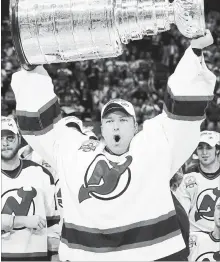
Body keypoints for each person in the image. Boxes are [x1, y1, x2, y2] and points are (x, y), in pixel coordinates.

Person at [11, 30, 216, 261]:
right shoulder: (77, 153)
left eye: (122, 120)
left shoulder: (154, 145)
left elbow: (180, 118)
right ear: (101, 129)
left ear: (135, 126)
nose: (115, 126)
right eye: (109, 121)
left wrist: (195, 52)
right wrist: (31, 68)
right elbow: (43, 127)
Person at [1, 117, 61, 261]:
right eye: (0, 138)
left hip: (36, 257)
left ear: (19, 138)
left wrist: (54, 256)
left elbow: (53, 224)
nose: (5, 143)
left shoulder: (41, 174)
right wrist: (22, 221)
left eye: (10, 138)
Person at [175, 130, 220, 233]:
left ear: (217, 150)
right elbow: (181, 217)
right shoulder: (187, 180)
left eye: (208, 148)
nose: (204, 153)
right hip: (197, 240)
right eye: (200, 148)